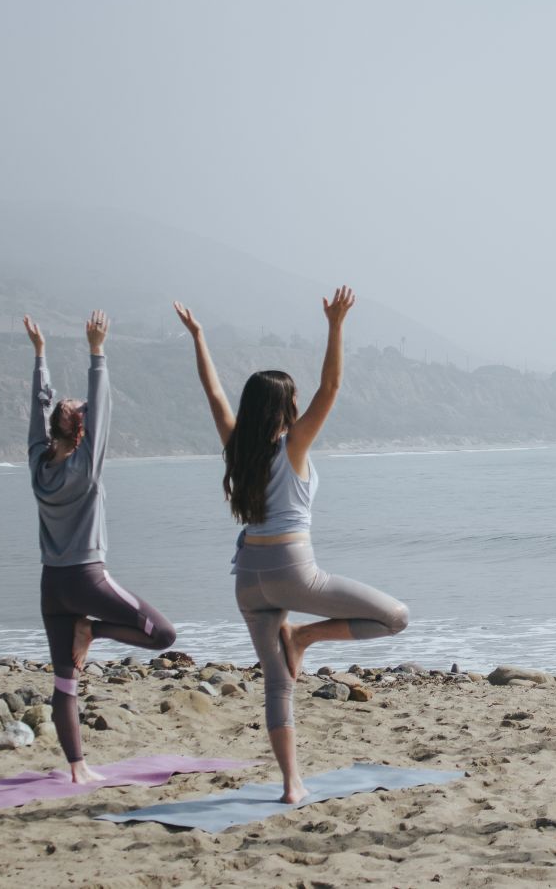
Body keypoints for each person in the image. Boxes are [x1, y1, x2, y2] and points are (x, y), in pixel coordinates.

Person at [174, 288, 409, 804]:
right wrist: (336, 324)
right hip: (292, 571)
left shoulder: (238, 448)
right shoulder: (293, 445)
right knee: (395, 617)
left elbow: (213, 394)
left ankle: (291, 785)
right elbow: (333, 386)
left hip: (247, 581)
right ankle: (303, 637)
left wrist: (198, 337)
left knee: (277, 685)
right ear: (286, 406)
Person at [25, 310, 177, 784]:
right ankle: (93, 632)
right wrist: (97, 351)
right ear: (81, 432)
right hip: (88, 580)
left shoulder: (37, 462)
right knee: (163, 635)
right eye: (80, 413)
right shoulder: (87, 467)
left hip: (53, 586)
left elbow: (38, 407)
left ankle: (77, 768)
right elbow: (102, 403)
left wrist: (41, 357)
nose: (83, 411)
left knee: (64, 682)